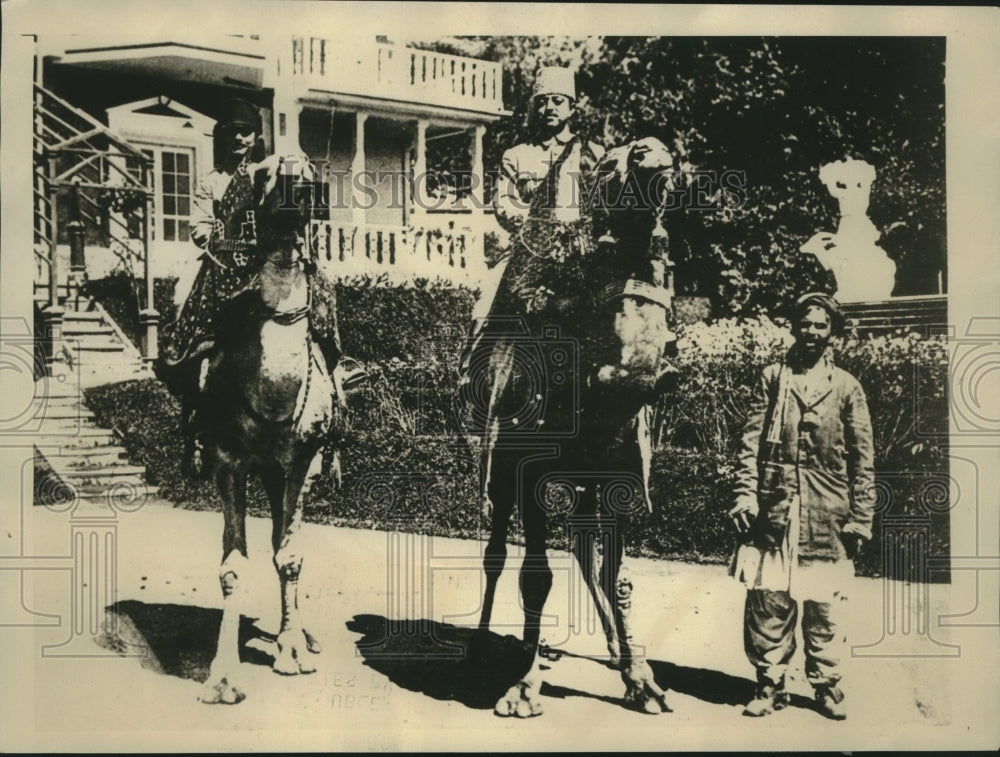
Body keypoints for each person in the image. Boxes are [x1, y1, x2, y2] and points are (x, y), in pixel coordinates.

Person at [157, 98, 350, 477]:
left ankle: (335, 370)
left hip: (265, 263)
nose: (239, 139)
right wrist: (220, 239)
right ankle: (193, 408)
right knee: (183, 298)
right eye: (231, 134)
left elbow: (293, 189)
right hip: (223, 264)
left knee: (323, 287)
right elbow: (198, 227)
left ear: (255, 136)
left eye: (245, 132)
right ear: (221, 139)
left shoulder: (267, 171)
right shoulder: (210, 182)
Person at [729, 292, 876, 720]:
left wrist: (861, 518)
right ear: (794, 326)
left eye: (821, 326)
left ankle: (827, 686)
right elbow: (748, 445)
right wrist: (744, 494)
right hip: (776, 506)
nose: (812, 333)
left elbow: (864, 460)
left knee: (824, 607)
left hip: (827, 512)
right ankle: (770, 684)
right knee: (769, 602)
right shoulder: (773, 378)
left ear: (833, 333)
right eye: (805, 324)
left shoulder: (847, 387)